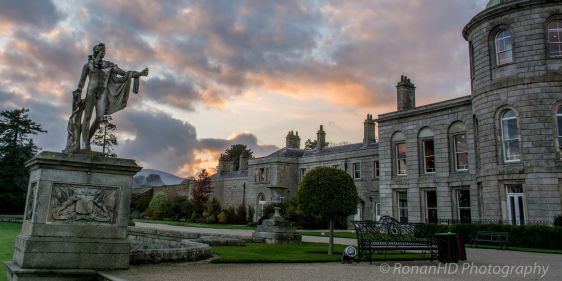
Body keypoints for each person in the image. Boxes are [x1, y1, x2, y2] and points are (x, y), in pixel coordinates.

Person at [67, 43, 148, 152]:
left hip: (103, 93)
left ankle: (87, 140)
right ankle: (85, 144)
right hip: (91, 92)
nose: (104, 53)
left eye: (104, 51)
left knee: (100, 118)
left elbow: (124, 74)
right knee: (87, 117)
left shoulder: (109, 66)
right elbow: (81, 82)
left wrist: (138, 74)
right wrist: (78, 94)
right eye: (102, 51)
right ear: (96, 51)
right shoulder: (88, 65)